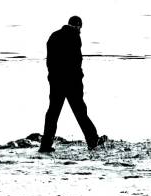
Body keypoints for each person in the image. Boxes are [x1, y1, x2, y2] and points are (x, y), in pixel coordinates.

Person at [39, 16, 106, 153]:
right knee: (81, 112)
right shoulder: (74, 37)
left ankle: (45, 145)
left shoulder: (54, 36)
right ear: (78, 27)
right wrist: (79, 80)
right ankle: (92, 140)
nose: (80, 31)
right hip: (71, 83)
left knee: (53, 113)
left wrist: (52, 78)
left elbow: (50, 62)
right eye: (79, 28)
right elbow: (76, 62)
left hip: (56, 81)